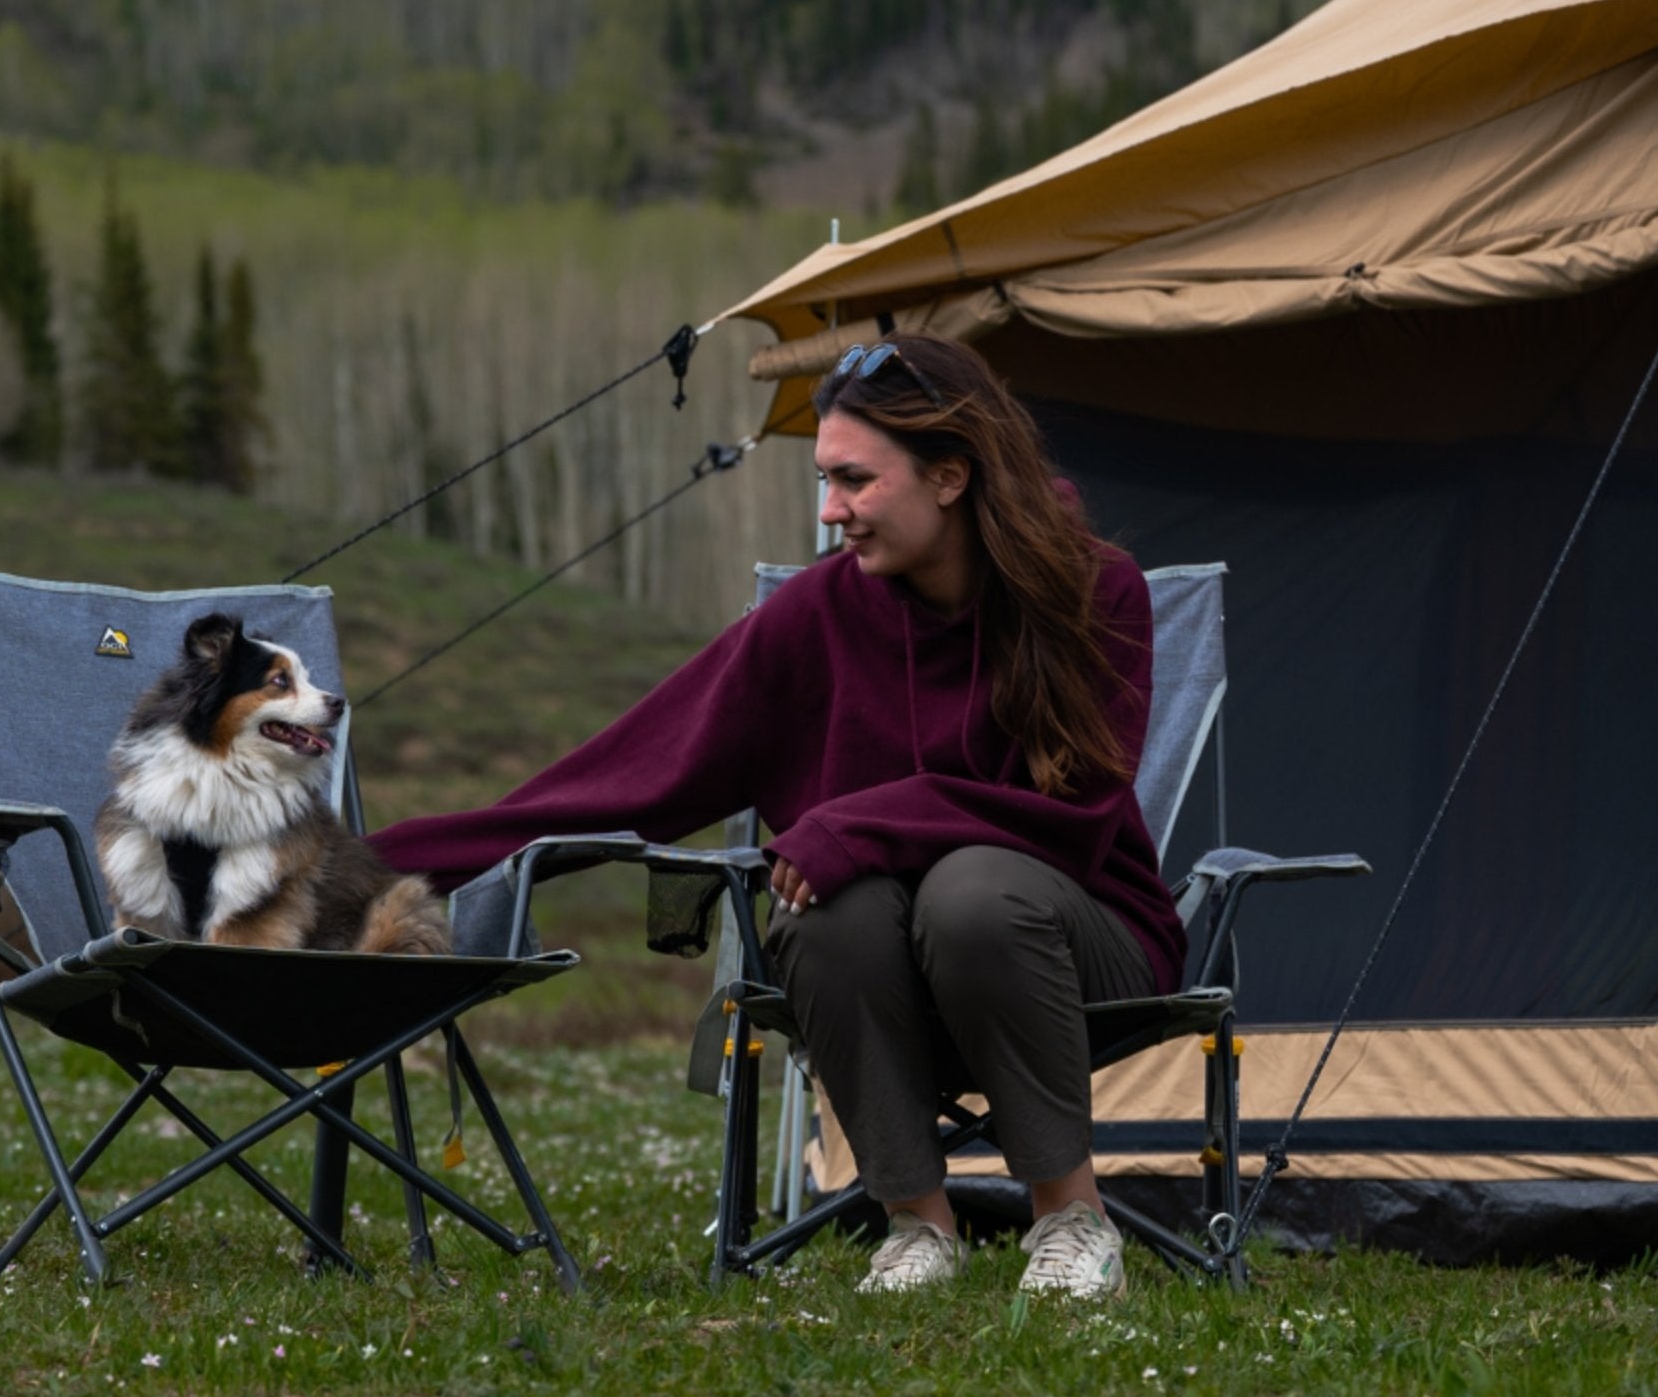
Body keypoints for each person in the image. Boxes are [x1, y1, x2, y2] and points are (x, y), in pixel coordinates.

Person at [368, 333, 1185, 1301]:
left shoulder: (1092, 590)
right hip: (880, 970)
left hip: (1076, 945)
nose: (830, 510)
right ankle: (916, 1229)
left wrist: (860, 825)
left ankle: (1073, 1222)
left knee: (970, 892)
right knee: (823, 909)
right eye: (824, 480)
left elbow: (1077, 812)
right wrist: (371, 867)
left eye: (855, 480)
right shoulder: (816, 614)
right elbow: (635, 779)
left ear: (950, 476)